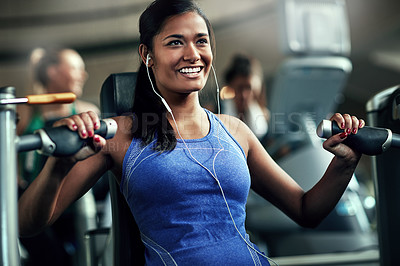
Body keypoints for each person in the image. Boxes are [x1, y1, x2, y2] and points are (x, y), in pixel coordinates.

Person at [18, 0, 365, 265]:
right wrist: (58, 166)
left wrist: (344, 163)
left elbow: (306, 210)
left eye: (201, 41)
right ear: (147, 55)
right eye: (174, 43)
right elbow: (27, 225)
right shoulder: (120, 134)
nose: (192, 54)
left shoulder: (235, 131)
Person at [17, 47, 100, 266]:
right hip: (35, 201)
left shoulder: (87, 111)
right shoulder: (27, 112)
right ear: (53, 72)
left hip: (76, 204)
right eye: (75, 68)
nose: (83, 75)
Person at [221, 54, 269, 139]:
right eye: (239, 88)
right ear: (231, 86)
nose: (244, 95)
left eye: (248, 88)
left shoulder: (264, 116)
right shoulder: (216, 112)